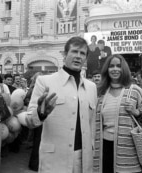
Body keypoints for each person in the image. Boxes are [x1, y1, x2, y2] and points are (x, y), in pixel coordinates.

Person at [18, 36, 97, 173]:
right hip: (54, 160)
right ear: (65, 55)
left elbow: (92, 125)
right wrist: (41, 114)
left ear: (85, 58)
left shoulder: (91, 87)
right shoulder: (45, 82)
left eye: (82, 53)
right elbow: (31, 121)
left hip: (83, 159)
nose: (78, 56)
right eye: (74, 51)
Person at [93, 54, 142, 173]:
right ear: (107, 69)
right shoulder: (100, 92)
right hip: (104, 147)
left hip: (129, 149)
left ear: (124, 69)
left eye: (118, 66)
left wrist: (137, 112)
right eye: (111, 66)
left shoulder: (135, 90)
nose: (115, 69)